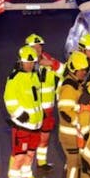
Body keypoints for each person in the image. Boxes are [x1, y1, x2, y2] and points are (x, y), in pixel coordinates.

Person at [4, 46, 44, 178]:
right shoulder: (14, 78)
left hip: (35, 124)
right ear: (21, 62)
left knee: (30, 154)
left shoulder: (35, 76)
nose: (30, 65)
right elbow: (9, 100)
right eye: (28, 62)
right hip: (22, 125)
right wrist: (20, 114)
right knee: (19, 155)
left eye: (32, 62)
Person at [57, 51, 90, 178]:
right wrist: (79, 119)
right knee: (74, 166)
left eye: (85, 69)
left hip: (74, 134)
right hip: (70, 134)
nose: (84, 72)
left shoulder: (77, 83)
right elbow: (65, 110)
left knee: (74, 165)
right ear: (73, 69)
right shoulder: (69, 88)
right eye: (81, 70)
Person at [25, 34, 61, 170]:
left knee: (44, 138)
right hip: (32, 111)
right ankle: (26, 171)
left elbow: (64, 72)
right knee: (30, 143)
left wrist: (53, 64)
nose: (37, 49)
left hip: (47, 109)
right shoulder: (25, 66)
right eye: (34, 47)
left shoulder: (49, 60)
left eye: (39, 46)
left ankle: (41, 162)